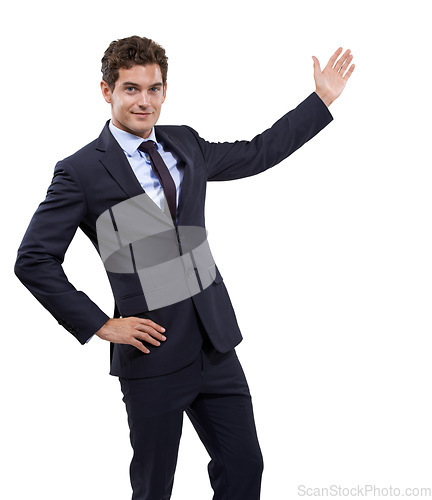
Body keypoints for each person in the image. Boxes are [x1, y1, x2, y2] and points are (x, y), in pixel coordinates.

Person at [14, 36, 354, 499]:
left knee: (244, 469)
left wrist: (320, 101)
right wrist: (100, 324)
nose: (144, 101)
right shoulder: (80, 171)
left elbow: (257, 152)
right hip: (151, 349)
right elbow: (34, 259)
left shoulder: (185, 143)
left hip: (215, 342)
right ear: (106, 91)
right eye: (131, 89)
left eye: (154, 89)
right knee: (155, 488)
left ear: (165, 91)